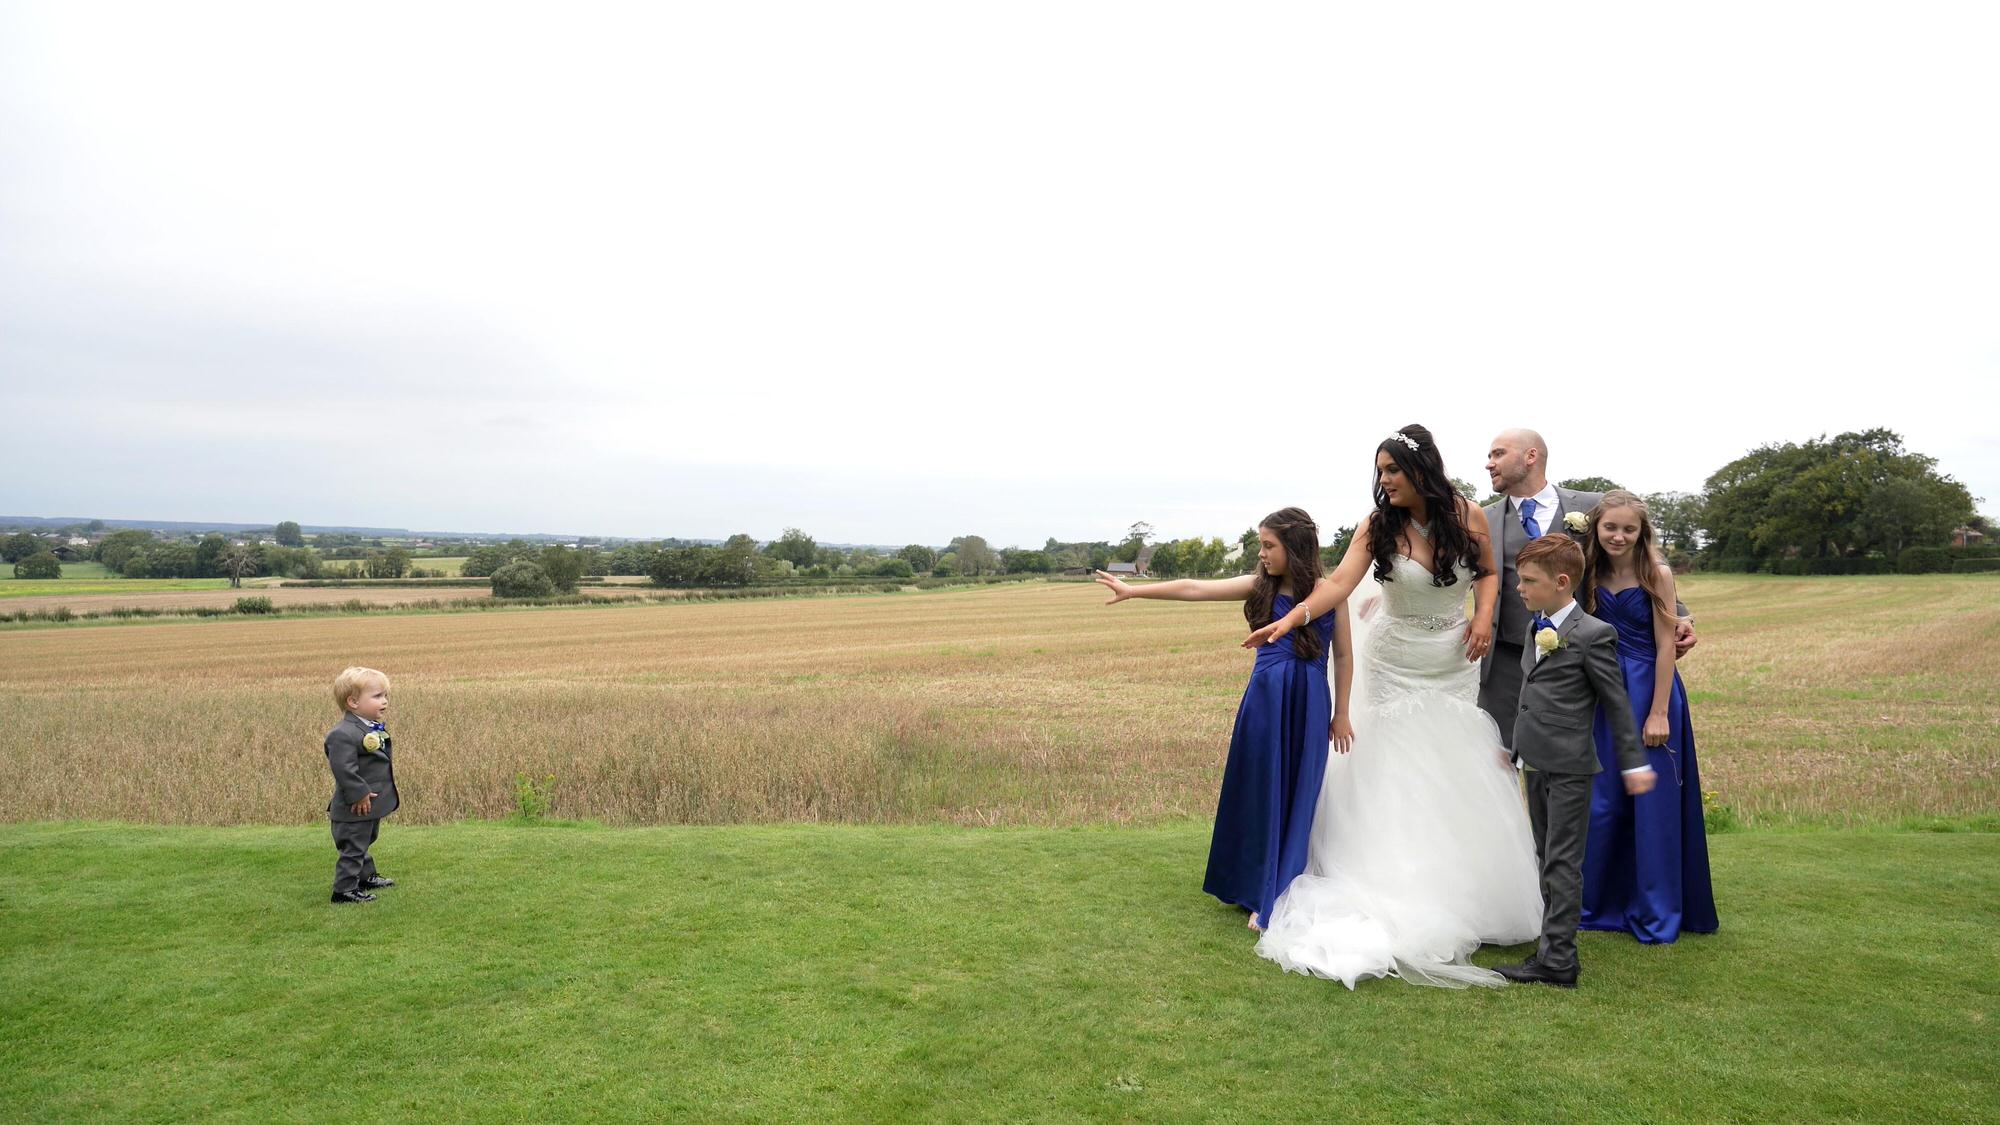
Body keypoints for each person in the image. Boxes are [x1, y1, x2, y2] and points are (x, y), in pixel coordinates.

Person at [1246, 426, 1542, 988]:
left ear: (1421, 467)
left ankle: (1463, 890)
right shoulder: (1377, 525)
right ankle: (1397, 884)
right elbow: (1338, 583)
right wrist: (1295, 617)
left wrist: (1483, 617)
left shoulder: (1467, 515)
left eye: (1392, 470)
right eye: (1380, 472)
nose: (1384, 482)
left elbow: (1487, 573)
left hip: (1454, 659)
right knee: (1397, 769)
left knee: (1452, 767)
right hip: (1394, 662)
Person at [1096, 508, 1349, 931]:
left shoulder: (1331, 592)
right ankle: (1251, 885)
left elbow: (1342, 654)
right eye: (1260, 545)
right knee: (1260, 789)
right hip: (1264, 702)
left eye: (1268, 545)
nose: (1261, 553)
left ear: (1295, 547)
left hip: (1310, 702)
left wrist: (1341, 713)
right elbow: (1195, 587)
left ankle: (1279, 892)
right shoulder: (1259, 586)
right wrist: (1134, 591)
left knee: (1298, 793)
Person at [1493, 535, 1653, 988]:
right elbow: (1529, 696)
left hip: (1570, 766)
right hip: (1534, 762)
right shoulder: (1536, 628)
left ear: (1562, 582)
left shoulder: (1593, 634)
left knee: (1562, 862)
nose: (1519, 588)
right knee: (1545, 856)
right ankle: (1552, 945)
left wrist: (1634, 763)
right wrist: (1513, 747)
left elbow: (1616, 704)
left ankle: (1559, 961)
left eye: (1529, 581)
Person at [1478, 429, 1696, 751]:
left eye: (1498, 454)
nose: (1489, 463)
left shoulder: (1592, 506)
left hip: (1582, 660)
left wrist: (1680, 615)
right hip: (1508, 663)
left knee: (1577, 758)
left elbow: (1643, 558)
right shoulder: (1483, 519)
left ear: (1530, 456)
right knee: (1502, 756)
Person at [1578, 491, 1718, 943]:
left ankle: (1655, 910)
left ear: (1642, 532)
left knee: (1652, 804)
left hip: (1649, 690)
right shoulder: (1587, 571)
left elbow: (1664, 646)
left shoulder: (1657, 573)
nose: (1619, 536)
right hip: (1602, 694)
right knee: (1603, 800)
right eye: (1610, 527)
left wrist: (1659, 712)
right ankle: (1596, 904)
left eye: (1629, 529)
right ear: (1597, 529)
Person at [326, 666, 400, 904]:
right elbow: (344, 769)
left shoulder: (367, 727)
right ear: (353, 702)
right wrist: (359, 793)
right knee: (354, 846)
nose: (384, 701)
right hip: (354, 805)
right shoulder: (342, 734)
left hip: (369, 803)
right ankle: (344, 890)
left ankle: (365, 876)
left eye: (385, 695)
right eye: (377, 696)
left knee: (364, 840)